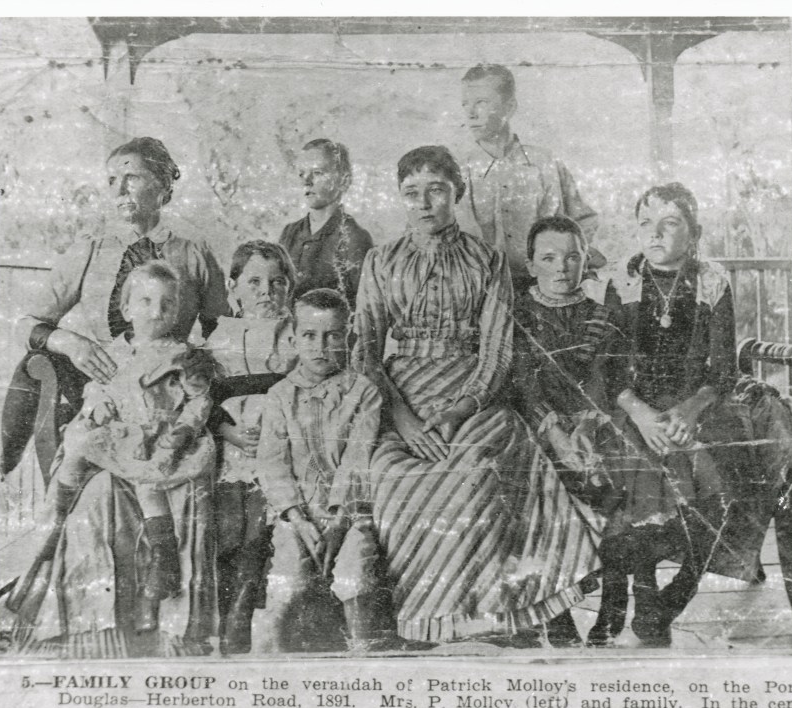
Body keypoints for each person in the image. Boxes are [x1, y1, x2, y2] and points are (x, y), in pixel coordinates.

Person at [353, 145, 606, 646]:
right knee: (390, 476)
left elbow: (496, 352)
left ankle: (497, 617)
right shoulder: (380, 261)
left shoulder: (485, 259)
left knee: (479, 470)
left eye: (437, 190)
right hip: (401, 393)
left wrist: (460, 409)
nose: (425, 203)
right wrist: (403, 422)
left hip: (473, 390)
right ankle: (423, 622)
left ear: (457, 193)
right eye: (412, 193)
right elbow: (364, 352)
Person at [1, 136, 227, 657]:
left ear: (164, 183)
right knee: (81, 468)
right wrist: (70, 343)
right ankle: (67, 610)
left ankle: (174, 623)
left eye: (132, 177)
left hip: (172, 397)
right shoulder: (92, 247)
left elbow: (223, 331)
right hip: (104, 396)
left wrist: (200, 384)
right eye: (111, 180)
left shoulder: (193, 252)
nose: (119, 189)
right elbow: (27, 322)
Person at [583, 182, 768, 646]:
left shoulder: (711, 282)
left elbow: (723, 368)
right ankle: (643, 595)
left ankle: (677, 593)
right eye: (646, 224)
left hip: (698, 405)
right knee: (636, 471)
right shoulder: (622, 283)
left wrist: (689, 409)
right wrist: (643, 415)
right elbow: (607, 369)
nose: (656, 234)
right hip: (635, 407)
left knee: (727, 480)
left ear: (695, 232)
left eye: (670, 224)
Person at [8, 262, 216, 643]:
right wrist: (96, 404)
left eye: (167, 305)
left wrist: (184, 430)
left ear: (178, 311)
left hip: (158, 432)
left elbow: (199, 400)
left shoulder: (183, 355)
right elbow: (97, 387)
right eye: (147, 301)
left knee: (147, 477)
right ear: (127, 309)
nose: (156, 312)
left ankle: (164, 553)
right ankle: (57, 510)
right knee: (80, 443)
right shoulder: (112, 351)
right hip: (116, 429)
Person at [509, 215, 630, 645]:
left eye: (572, 257)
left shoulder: (601, 316)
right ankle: (556, 615)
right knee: (539, 492)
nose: (562, 267)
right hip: (536, 428)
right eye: (549, 258)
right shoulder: (516, 317)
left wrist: (588, 427)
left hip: (590, 427)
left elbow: (605, 379)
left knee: (619, 483)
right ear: (531, 265)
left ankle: (615, 605)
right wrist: (554, 433)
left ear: (585, 263)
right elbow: (521, 382)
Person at [254, 289, 392, 653]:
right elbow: (272, 463)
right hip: (296, 513)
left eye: (333, 335)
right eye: (310, 336)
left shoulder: (363, 392)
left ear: (348, 337)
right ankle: (267, 659)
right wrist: (299, 520)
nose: (321, 346)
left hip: (350, 513)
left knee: (353, 572)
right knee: (289, 577)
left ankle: (363, 654)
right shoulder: (281, 395)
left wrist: (339, 521)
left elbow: (357, 460)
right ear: (294, 338)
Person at [202, 240, 297, 655]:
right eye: (254, 281)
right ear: (232, 286)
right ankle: (225, 616)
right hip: (230, 444)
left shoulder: (294, 332)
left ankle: (247, 610)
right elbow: (200, 397)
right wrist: (228, 431)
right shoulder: (218, 336)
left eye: (278, 283)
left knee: (262, 526)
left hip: (280, 444)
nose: (266, 291)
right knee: (228, 522)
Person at [458, 64, 600, 292]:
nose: (471, 113)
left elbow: (584, 222)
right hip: (479, 293)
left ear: (510, 107)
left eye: (481, 103)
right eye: (465, 104)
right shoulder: (456, 171)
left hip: (544, 292)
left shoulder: (546, 164)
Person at [278, 138, 374, 308]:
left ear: (343, 181)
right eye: (302, 174)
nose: (306, 181)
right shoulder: (290, 232)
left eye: (317, 173)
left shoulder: (353, 238)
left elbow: (362, 307)